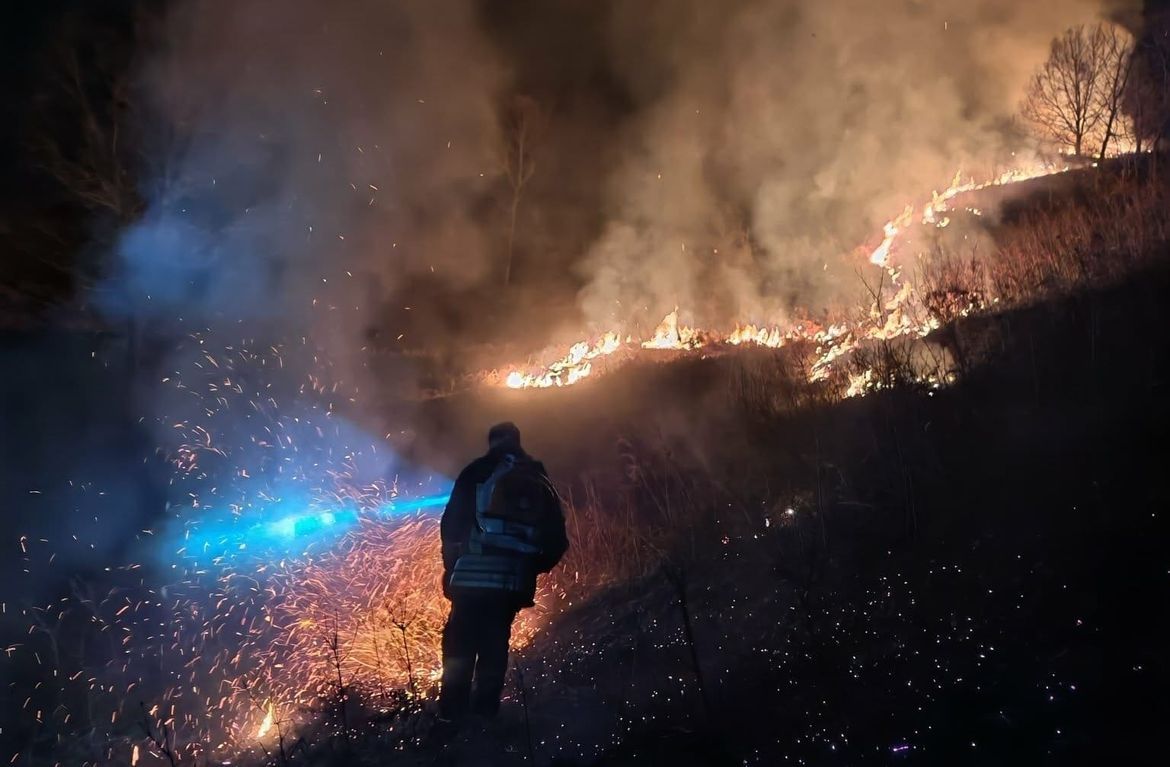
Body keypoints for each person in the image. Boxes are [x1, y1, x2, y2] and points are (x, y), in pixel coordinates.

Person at [437, 422, 568, 725]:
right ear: (518, 442)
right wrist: (531, 567)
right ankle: (485, 718)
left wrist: (451, 568)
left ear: (491, 442)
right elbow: (556, 540)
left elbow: (450, 526)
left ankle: (451, 720)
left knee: (459, 646)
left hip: (469, 579)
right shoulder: (537, 478)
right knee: (494, 647)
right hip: (510, 584)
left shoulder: (476, 472)